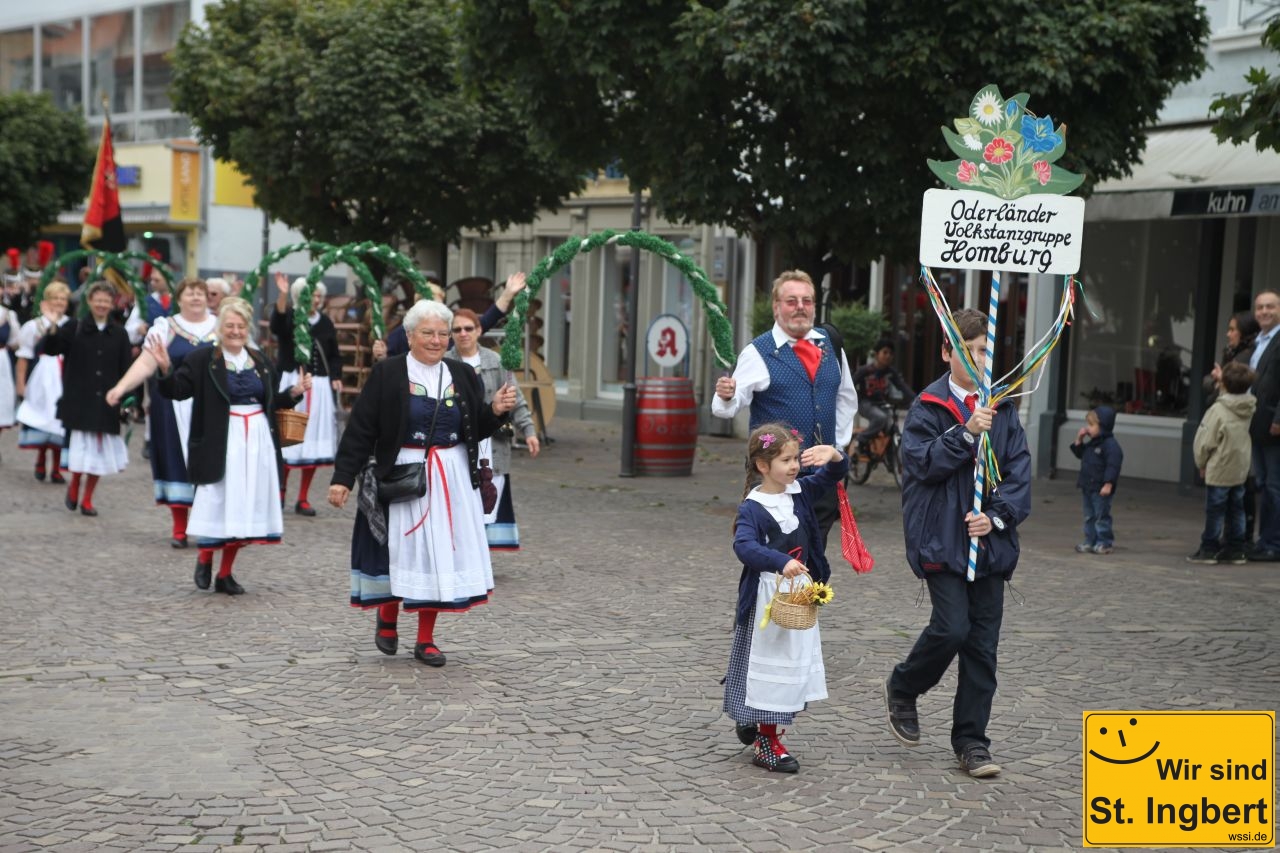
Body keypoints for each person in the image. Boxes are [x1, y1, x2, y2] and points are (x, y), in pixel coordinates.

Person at [883, 308, 1031, 779]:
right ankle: (904, 685)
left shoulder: (1003, 408)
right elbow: (921, 464)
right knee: (951, 628)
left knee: (982, 647)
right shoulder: (928, 407)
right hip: (941, 540)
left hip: (987, 543)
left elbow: (1019, 474)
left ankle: (971, 741)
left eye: (986, 351)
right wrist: (966, 433)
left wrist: (996, 518)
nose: (981, 360)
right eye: (971, 351)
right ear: (948, 352)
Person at [329, 300, 517, 667]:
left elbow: (474, 429)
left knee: (437, 556)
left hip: (451, 478)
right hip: (404, 473)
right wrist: (342, 478)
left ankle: (425, 639)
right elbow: (361, 428)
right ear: (410, 335)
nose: (436, 340)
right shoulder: (388, 373)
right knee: (400, 552)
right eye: (428, 333)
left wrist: (495, 410)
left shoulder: (462, 374)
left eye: (443, 334)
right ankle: (388, 612)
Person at [151, 298, 309, 595]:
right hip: (220, 440)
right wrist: (165, 368)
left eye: (241, 326)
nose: (235, 331)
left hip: (257, 442)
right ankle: (205, 555)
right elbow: (177, 390)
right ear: (219, 328)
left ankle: (225, 573)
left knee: (246, 506)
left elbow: (271, 401)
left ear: (248, 329)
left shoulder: (260, 361)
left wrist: (294, 393)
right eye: (229, 326)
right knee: (218, 502)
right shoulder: (202, 359)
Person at [725, 423, 847, 773]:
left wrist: (835, 456)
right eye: (786, 460)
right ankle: (767, 741)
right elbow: (744, 546)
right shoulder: (754, 507)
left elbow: (834, 475)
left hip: (798, 596)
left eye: (796, 458)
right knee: (769, 670)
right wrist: (780, 561)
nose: (794, 466)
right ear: (763, 466)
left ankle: (760, 724)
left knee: (790, 667)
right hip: (768, 598)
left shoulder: (800, 492)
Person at [712, 271, 858, 545]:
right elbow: (727, 408)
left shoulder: (831, 346)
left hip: (820, 479)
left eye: (807, 300)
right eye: (791, 301)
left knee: (815, 553)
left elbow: (846, 399)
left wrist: (835, 448)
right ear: (776, 307)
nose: (800, 307)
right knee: (777, 555)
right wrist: (726, 396)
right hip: (773, 480)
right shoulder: (758, 351)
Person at [107, 278, 218, 548]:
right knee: (175, 458)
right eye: (189, 293)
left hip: (212, 404)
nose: (195, 298)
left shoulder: (221, 326)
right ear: (178, 299)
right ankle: (180, 526)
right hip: (172, 403)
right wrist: (120, 388)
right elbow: (146, 363)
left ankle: (211, 524)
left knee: (212, 461)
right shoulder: (166, 327)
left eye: (200, 293)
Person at [449, 308, 541, 549]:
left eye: (468, 328)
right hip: (460, 444)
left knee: (489, 500)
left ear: (479, 330)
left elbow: (515, 399)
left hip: (493, 446)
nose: (463, 333)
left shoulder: (495, 361)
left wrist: (529, 431)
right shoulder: (446, 363)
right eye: (457, 329)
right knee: (462, 501)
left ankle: (482, 555)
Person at [40, 282, 133, 516]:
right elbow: (51, 349)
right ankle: (74, 485)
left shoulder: (119, 333)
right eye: (98, 300)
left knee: (99, 454)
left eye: (106, 301)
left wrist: (128, 400)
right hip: (80, 400)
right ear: (89, 301)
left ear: (112, 304)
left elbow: (126, 369)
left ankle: (88, 499)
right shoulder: (74, 327)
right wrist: (52, 325)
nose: (102, 305)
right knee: (80, 451)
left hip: (107, 402)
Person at [271, 275, 342, 516]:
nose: (316, 299)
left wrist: (335, 375)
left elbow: (334, 354)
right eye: (312, 295)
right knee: (287, 435)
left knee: (313, 438)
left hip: (318, 385)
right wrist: (282, 294)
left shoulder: (326, 323)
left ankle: (302, 497)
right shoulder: (291, 317)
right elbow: (276, 325)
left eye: (319, 295)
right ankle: (280, 492)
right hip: (292, 381)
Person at [1188, 362, 1257, 566]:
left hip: (1219, 467)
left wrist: (1201, 462)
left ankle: (1209, 548)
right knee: (1237, 509)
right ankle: (1235, 549)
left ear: (1223, 384)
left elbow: (1205, 440)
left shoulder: (1218, 410)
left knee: (1215, 510)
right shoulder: (1248, 407)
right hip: (1240, 467)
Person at [371, 273, 528, 361]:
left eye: (438, 305)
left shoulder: (455, 328)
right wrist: (382, 356)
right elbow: (390, 365)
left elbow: (487, 320)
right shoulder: (402, 333)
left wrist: (508, 294)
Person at [14, 281, 71, 482]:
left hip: (64, 377)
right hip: (41, 378)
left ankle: (56, 466)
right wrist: (21, 384)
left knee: (60, 421)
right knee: (42, 418)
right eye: (55, 298)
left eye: (63, 299)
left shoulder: (71, 325)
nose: (59, 302)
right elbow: (24, 357)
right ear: (47, 301)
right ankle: (41, 457)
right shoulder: (34, 326)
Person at [1247, 288, 1280, 561]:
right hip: (1256, 425)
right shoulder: (1258, 341)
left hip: (1273, 426)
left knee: (1274, 486)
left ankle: (1274, 544)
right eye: (1260, 307)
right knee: (1263, 484)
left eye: (1270, 306)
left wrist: (1279, 418)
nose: (1264, 312)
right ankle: (1264, 540)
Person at [1069, 406, 1123, 555]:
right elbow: (1080, 454)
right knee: (1089, 516)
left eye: (1092, 425)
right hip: (1088, 486)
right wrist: (1079, 440)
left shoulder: (1110, 446)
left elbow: (1113, 466)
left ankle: (1104, 542)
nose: (1088, 428)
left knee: (1101, 516)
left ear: (1103, 426)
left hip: (1101, 488)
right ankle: (1090, 540)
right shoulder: (1093, 443)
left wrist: (1108, 483)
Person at [852, 338, 915, 449]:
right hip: (865, 403)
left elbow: (902, 387)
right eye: (885, 352)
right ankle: (860, 439)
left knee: (890, 425)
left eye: (891, 353)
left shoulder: (891, 373)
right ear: (877, 354)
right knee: (880, 418)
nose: (888, 356)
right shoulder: (865, 371)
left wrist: (916, 400)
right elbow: (851, 385)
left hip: (882, 404)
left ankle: (889, 456)